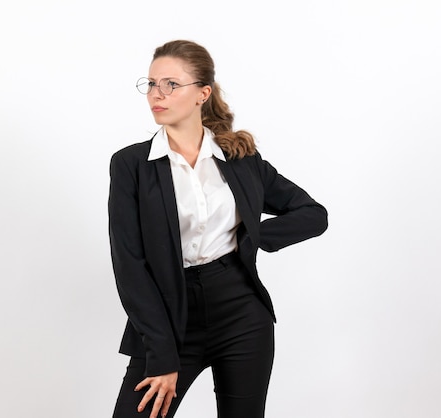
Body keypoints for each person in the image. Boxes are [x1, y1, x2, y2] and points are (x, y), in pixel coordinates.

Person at [108, 39, 328, 418]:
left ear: (202, 94)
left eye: (170, 84)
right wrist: (162, 354)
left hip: (241, 313)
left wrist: (251, 239)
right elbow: (130, 265)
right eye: (151, 83)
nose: (156, 94)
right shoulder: (132, 165)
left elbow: (312, 214)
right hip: (170, 318)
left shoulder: (240, 158)